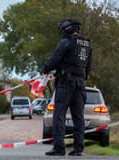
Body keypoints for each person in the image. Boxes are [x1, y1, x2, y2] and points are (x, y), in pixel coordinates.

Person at [43, 19, 92, 156]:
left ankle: (59, 148)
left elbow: (55, 59)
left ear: (66, 29)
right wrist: (82, 78)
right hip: (81, 83)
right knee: (78, 116)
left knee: (59, 114)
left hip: (66, 83)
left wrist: (45, 68)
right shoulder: (87, 44)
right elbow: (89, 66)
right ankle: (78, 149)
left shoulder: (66, 42)